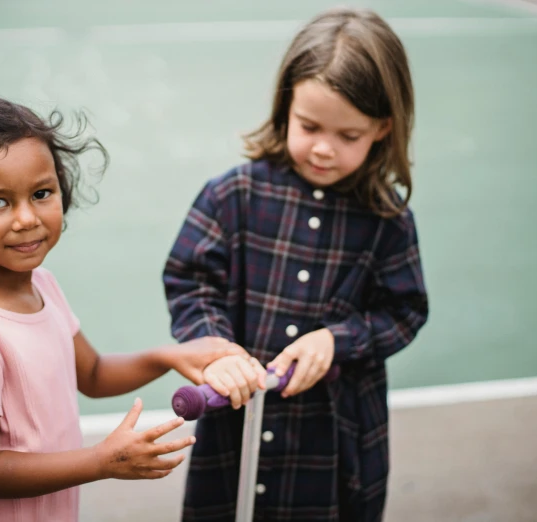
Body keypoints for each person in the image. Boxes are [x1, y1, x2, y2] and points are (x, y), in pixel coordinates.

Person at [0, 95, 246, 522]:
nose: (26, 218)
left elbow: (90, 374)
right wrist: (102, 461)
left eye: (41, 193)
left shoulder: (43, 286)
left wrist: (169, 356)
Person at [163, 8, 429, 521]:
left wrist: (337, 340)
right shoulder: (233, 195)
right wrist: (216, 350)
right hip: (235, 433)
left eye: (348, 136)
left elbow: (405, 310)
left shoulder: (387, 219)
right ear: (286, 106)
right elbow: (190, 280)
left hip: (333, 445)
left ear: (382, 128)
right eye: (309, 126)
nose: (324, 149)